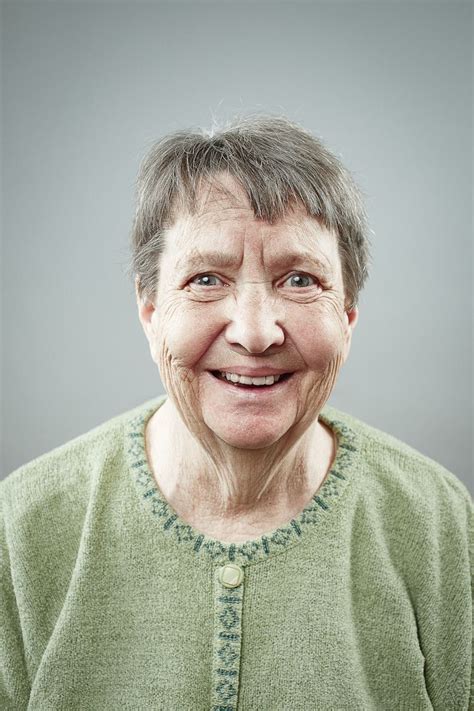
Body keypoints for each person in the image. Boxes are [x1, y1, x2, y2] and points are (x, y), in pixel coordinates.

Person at [1, 115, 471, 710]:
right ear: (151, 314)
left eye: (300, 280)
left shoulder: (440, 524)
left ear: (347, 317)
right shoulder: (22, 527)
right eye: (205, 279)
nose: (254, 332)